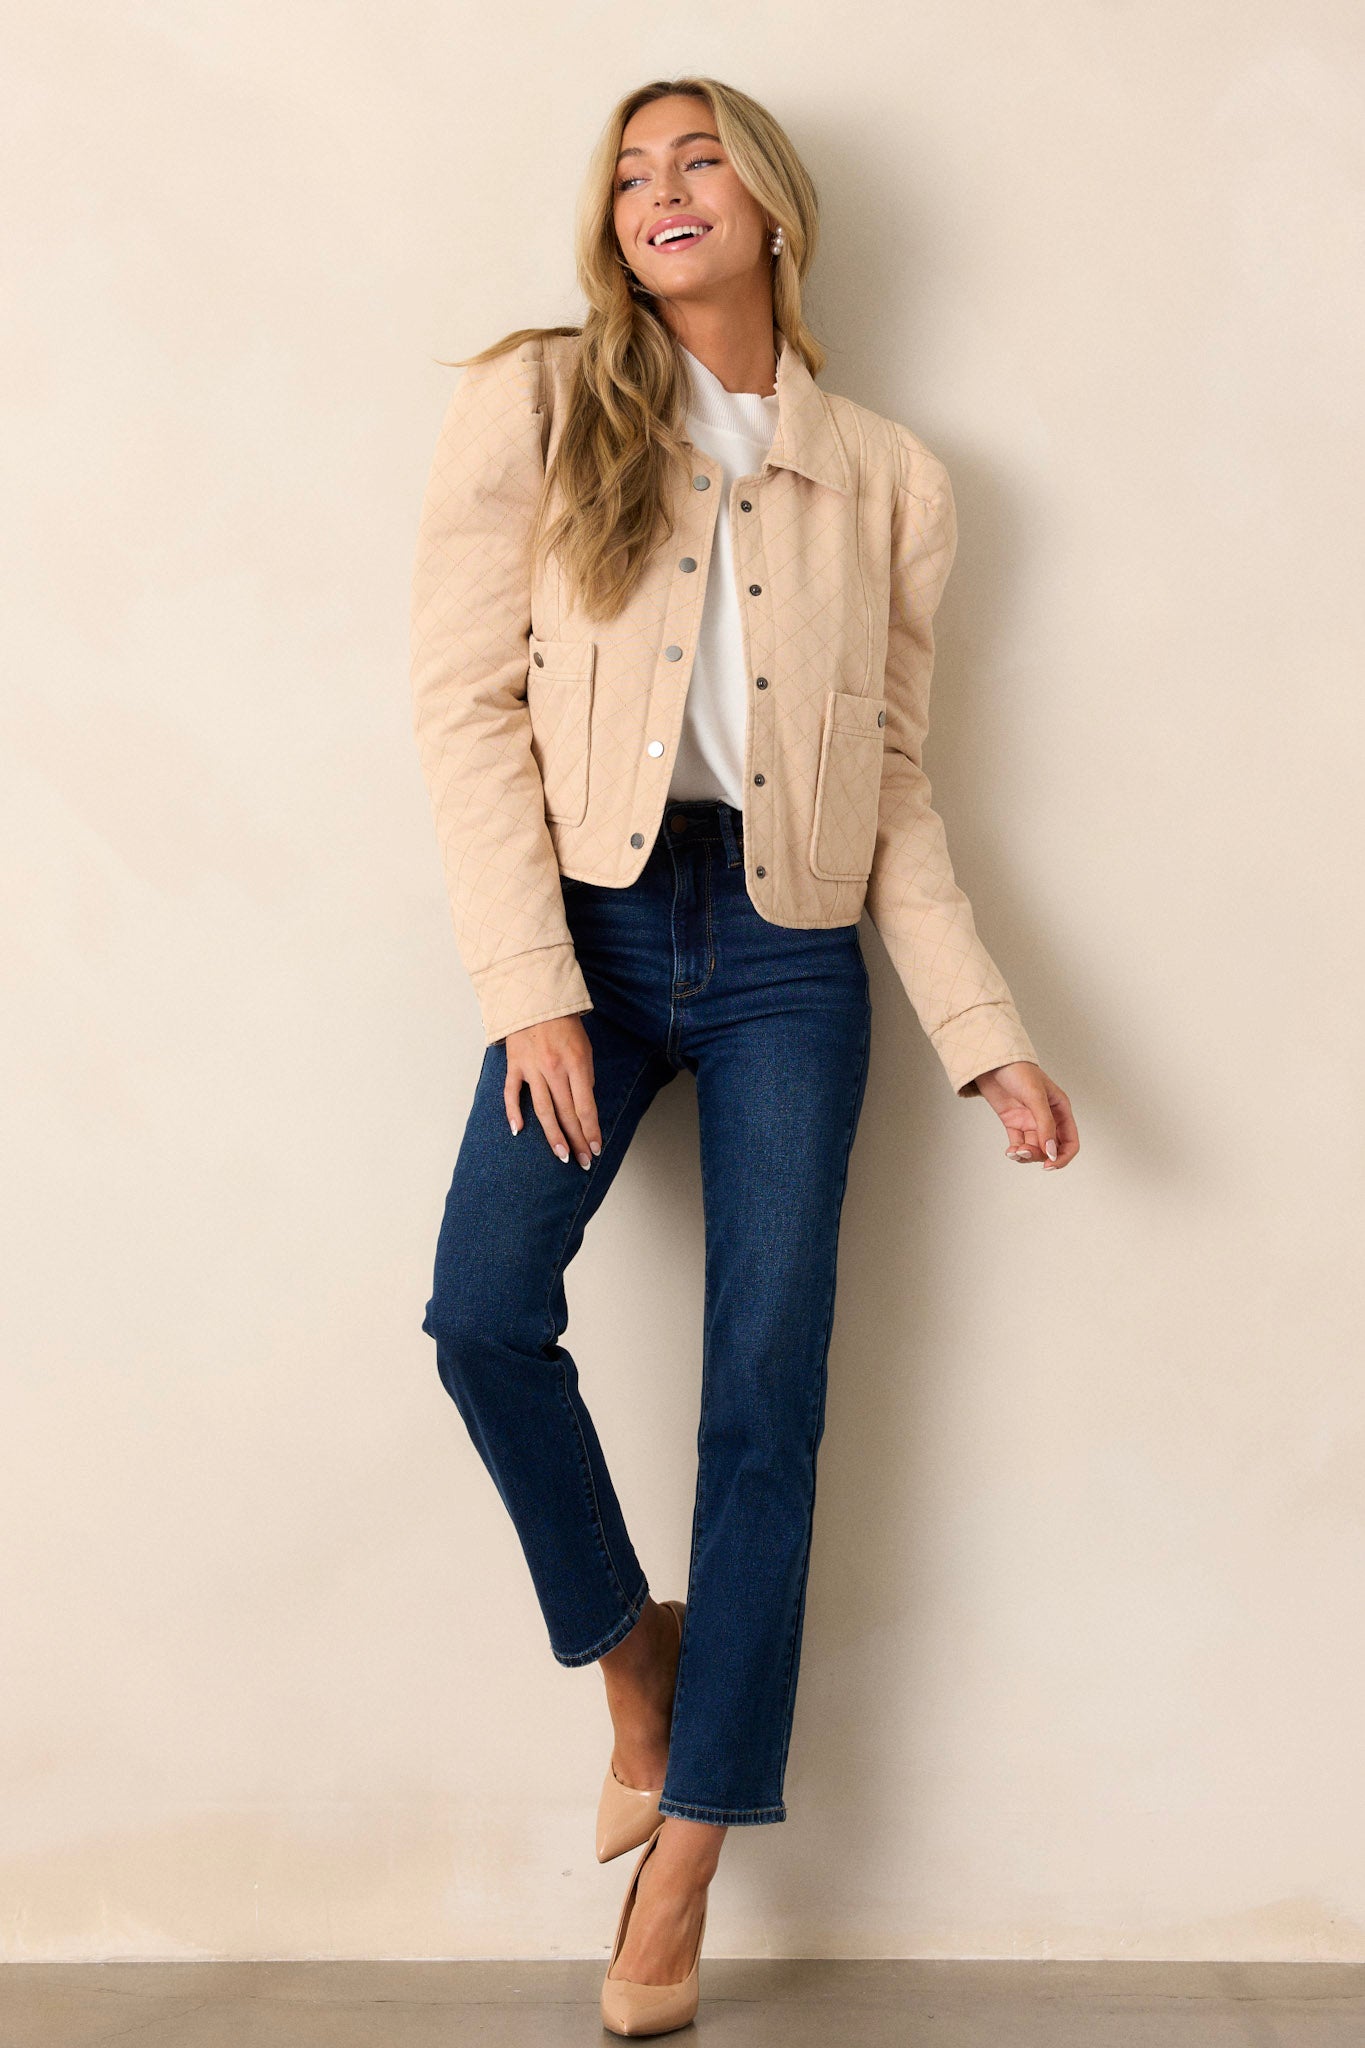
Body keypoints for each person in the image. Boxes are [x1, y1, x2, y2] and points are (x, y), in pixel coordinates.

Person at [408, 72, 1079, 2039]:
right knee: (479, 1310)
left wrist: (982, 1037)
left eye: (695, 156)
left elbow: (892, 784)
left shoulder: (890, 480)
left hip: (793, 953)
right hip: (593, 932)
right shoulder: (543, 403)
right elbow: (459, 705)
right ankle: (636, 1655)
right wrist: (528, 981)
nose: (658, 189)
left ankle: (689, 1850)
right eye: (629, 171)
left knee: (764, 1406)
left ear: (772, 202)